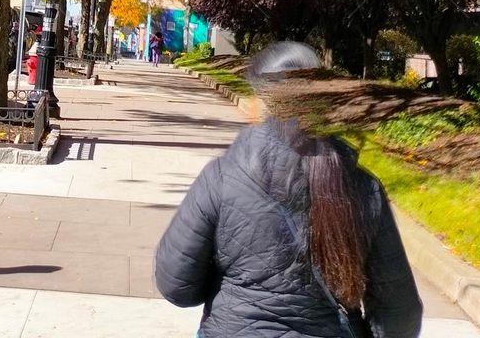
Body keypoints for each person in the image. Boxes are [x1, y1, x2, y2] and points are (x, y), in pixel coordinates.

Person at [154, 41, 423, 338]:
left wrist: (234, 288)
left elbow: (176, 285)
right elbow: (400, 312)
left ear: (261, 100)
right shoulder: (364, 188)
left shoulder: (220, 178)